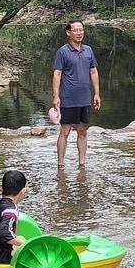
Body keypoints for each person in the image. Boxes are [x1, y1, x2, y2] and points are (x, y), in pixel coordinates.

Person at [51, 19, 101, 169]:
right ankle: (60, 163)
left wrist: (97, 93)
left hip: (84, 98)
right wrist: (56, 96)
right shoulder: (62, 51)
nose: (79, 33)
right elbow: (57, 74)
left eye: (81, 30)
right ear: (68, 33)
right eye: (76, 30)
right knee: (65, 131)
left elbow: (93, 71)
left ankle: (82, 163)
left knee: (82, 131)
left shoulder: (88, 50)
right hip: (68, 98)